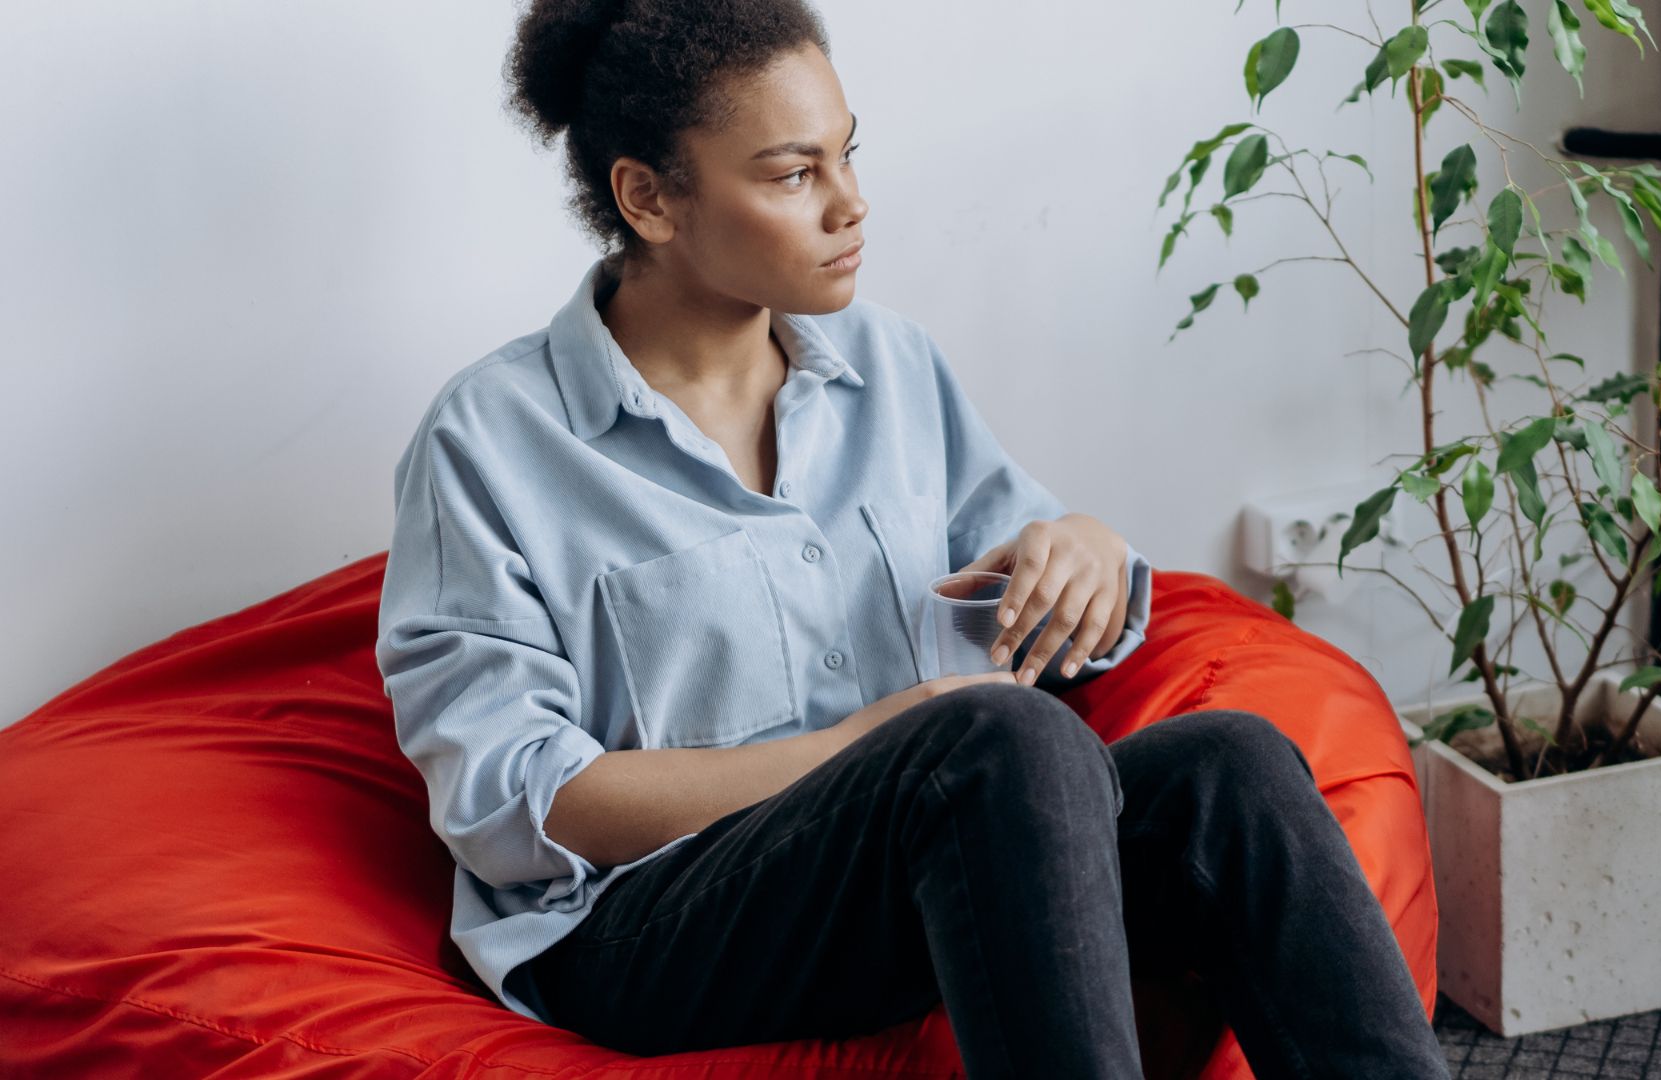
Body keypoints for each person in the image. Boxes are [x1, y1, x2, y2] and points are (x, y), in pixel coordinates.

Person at [373, 1, 1451, 1076]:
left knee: (1233, 764)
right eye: (796, 175)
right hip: (641, 926)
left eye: (849, 157)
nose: (852, 206)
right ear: (649, 197)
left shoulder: (890, 368)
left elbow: (1035, 597)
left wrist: (1077, 546)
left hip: (930, 857)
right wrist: (861, 749)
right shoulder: (491, 438)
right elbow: (512, 806)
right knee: (993, 742)